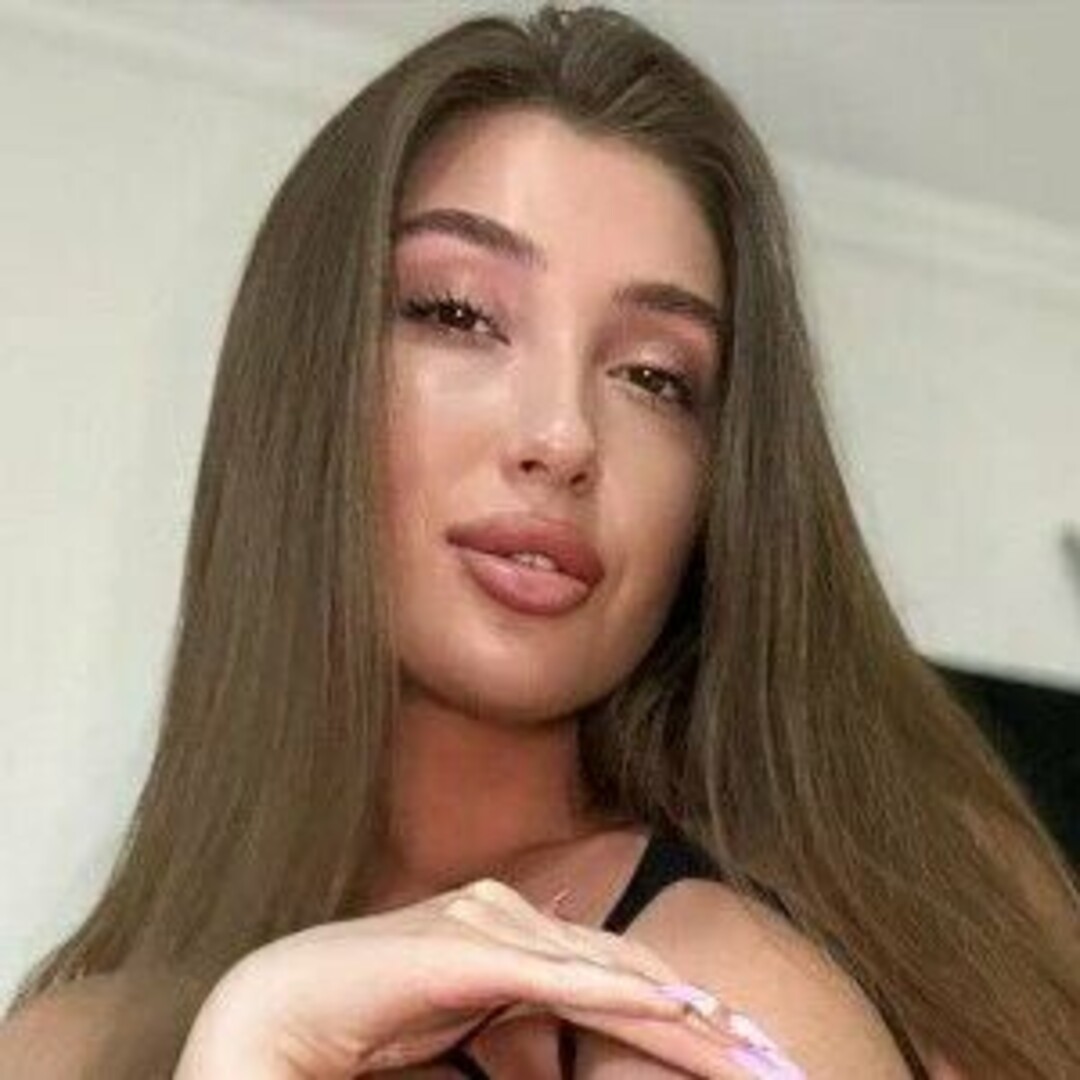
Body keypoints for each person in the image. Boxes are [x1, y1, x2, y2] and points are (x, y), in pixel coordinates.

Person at [2, 3, 1077, 1078]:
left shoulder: (697, 988)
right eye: (458, 314)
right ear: (303, 382)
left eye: (656, 376)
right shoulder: (61, 1045)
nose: (563, 438)